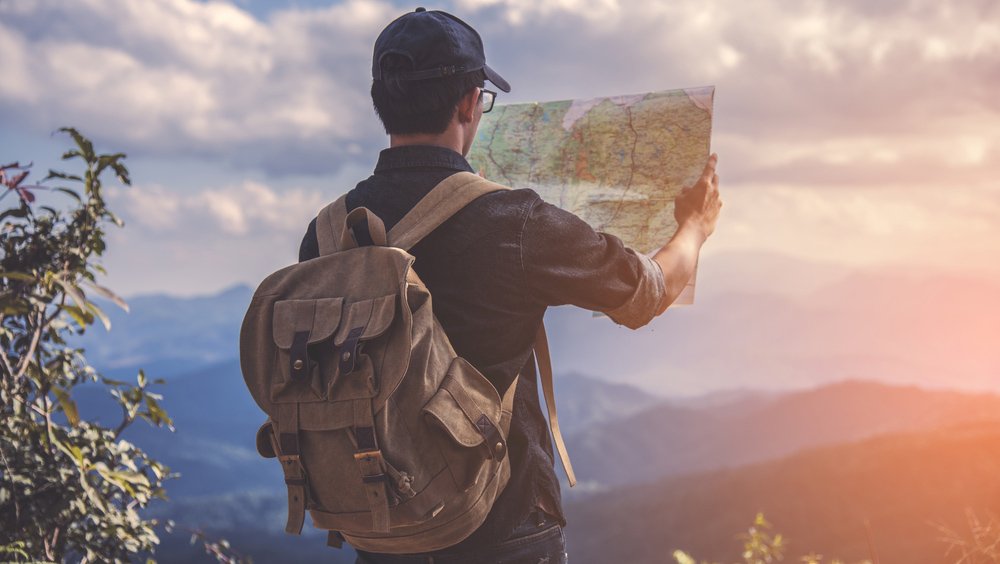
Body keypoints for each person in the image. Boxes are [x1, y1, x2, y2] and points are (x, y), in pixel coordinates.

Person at [297, 8, 721, 564]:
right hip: (503, 528)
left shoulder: (327, 233)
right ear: (471, 102)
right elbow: (647, 292)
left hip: (384, 529)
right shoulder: (513, 220)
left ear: (384, 103)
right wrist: (696, 227)